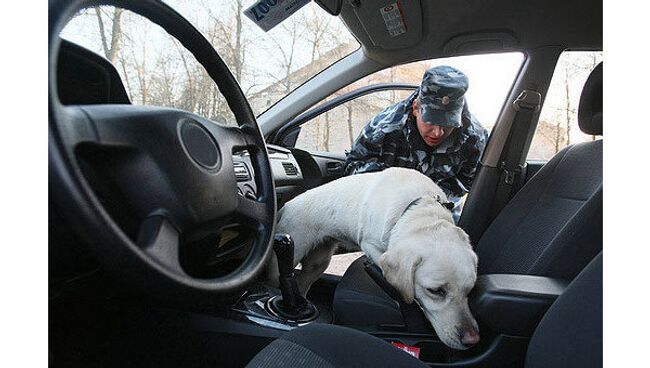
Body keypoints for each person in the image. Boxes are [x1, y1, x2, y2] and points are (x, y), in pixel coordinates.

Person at [345, 65, 488, 222]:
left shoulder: (474, 138)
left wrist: (431, 202)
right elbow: (354, 170)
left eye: (448, 124)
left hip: (439, 211)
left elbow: (466, 182)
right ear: (416, 109)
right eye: (431, 121)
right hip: (384, 210)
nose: (437, 132)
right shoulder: (384, 128)